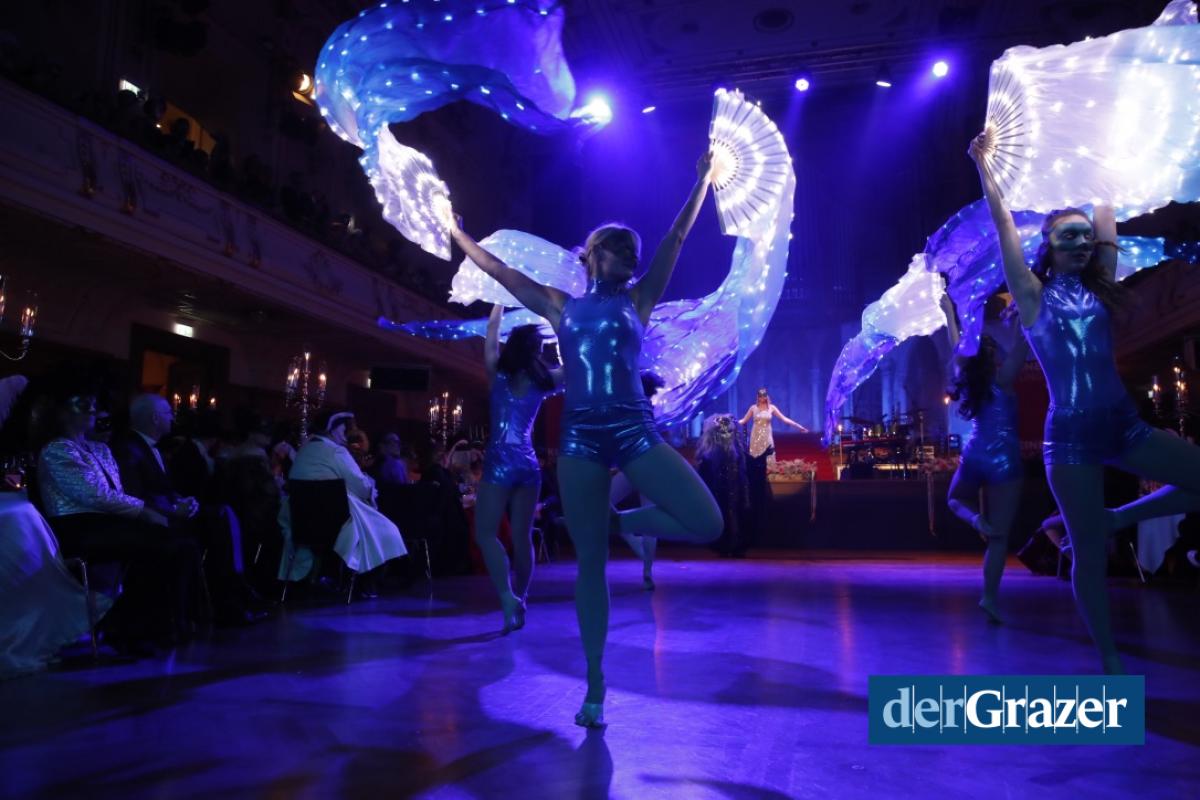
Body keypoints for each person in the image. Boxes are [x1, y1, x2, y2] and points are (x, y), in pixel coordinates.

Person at [443, 151, 724, 728]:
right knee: (589, 564)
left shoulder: (638, 301)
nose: (631, 257)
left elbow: (675, 238)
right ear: (593, 253)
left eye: (633, 253)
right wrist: (457, 234)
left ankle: (615, 524)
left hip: (634, 429)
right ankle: (595, 686)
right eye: (619, 249)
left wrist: (700, 181)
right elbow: (501, 272)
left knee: (707, 521)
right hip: (579, 441)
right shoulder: (560, 305)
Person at [969, 129, 1200, 673]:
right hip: (1070, 438)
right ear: (1049, 244)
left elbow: (1106, 212)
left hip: (1124, 423)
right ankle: (1110, 658)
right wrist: (985, 166)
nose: (1080, 243)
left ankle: (1118, 517)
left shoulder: (1100, 287)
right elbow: (1004, 226)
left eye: (1086, 237)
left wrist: (1102, 156)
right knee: (1088, 555)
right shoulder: (1031, 296)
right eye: (1068, 236)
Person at [37, 390, 199, 651]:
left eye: (93, 406)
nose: (92, 411)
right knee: (156, 544)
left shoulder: (100, 449)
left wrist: (155, 511)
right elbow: (93, 495)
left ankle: (163, 623)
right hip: (76, 526)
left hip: (108, 522)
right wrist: (144, 511)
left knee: (176, 542)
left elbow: (116, 492)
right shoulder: (57, 450)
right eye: (84, 406)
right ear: (64, 413)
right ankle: (129, 628)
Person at [942, 294, 1030, 623]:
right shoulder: (1004, 380)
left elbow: (956, 344)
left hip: (975, 454)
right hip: (1005, 461)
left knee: (955, 499)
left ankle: (978, 520)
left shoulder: (965, 375)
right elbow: (1022, 345)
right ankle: (989, 597)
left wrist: (949, 313)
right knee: (1000, 538)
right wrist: (1021, 314)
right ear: (993, 358)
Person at [475, 304, 561, 632]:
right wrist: (563, 331)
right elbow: (575, 366)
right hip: (528, 464)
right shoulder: (544, 381)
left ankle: (507, 597)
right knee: (523, 537)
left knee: (485, 534)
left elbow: (491, 333)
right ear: (536, 351)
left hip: (499, 462)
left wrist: (497, 301)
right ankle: (521, 599)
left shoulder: (497, 374)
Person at [278, 410, 407, 592]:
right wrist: (369, 484)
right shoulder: (336, 451)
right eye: (344, 428)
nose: (346, 433)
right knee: (385, 529)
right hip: (334, 524)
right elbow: (361, 487)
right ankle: (365, 582)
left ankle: (328, 577)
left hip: (301, 524)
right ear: (335, 429)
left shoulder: (304, 450)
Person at [609, 372, 666, 590]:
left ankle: (643, 560)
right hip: (646, 467)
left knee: (604, 502)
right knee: (648, 520)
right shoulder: (647, 409)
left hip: (638, 467)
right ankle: (646, 570)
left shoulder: (636, 408)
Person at [739, 388, 805, 549]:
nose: (762, 398)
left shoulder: (772, 408)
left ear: (766, 397)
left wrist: (798, 426)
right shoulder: (753, 408)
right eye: (760, 396)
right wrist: (730, 422)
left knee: (769, 460)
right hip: (755, 438)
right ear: (757, 397)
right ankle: (756, 480)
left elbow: (784, 419)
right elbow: (743, 421)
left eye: (764, 396)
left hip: (767, 437)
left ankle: (769, 482)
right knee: (755, 461)